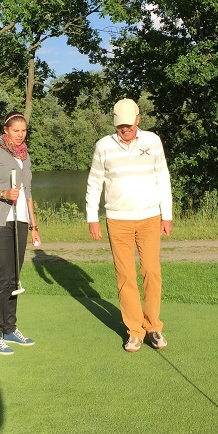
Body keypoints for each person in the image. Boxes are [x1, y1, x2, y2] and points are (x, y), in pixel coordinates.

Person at [86, 98, 173, 353]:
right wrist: (92, 218)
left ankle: (153, 327)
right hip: (117, 219)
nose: (125, 129)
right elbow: (94, 182)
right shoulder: (104, 146)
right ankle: (135, 331)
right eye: (120, 125)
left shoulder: (152, 141)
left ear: (138, 119)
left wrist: (166, 215)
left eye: (128, 125)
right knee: (125, 276)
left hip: (150, 217)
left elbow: (163, 178)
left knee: (151, 271)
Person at [0, 112, 42, 355]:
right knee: (2, 278)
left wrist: (34, 226)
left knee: (14, 278)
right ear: (6, 130)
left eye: (24, 130)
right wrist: (4, 194)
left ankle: (9, 328)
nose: (21, 134)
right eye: (16, 130)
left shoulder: (25, 155)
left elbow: (28, 192)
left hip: (20, 220)